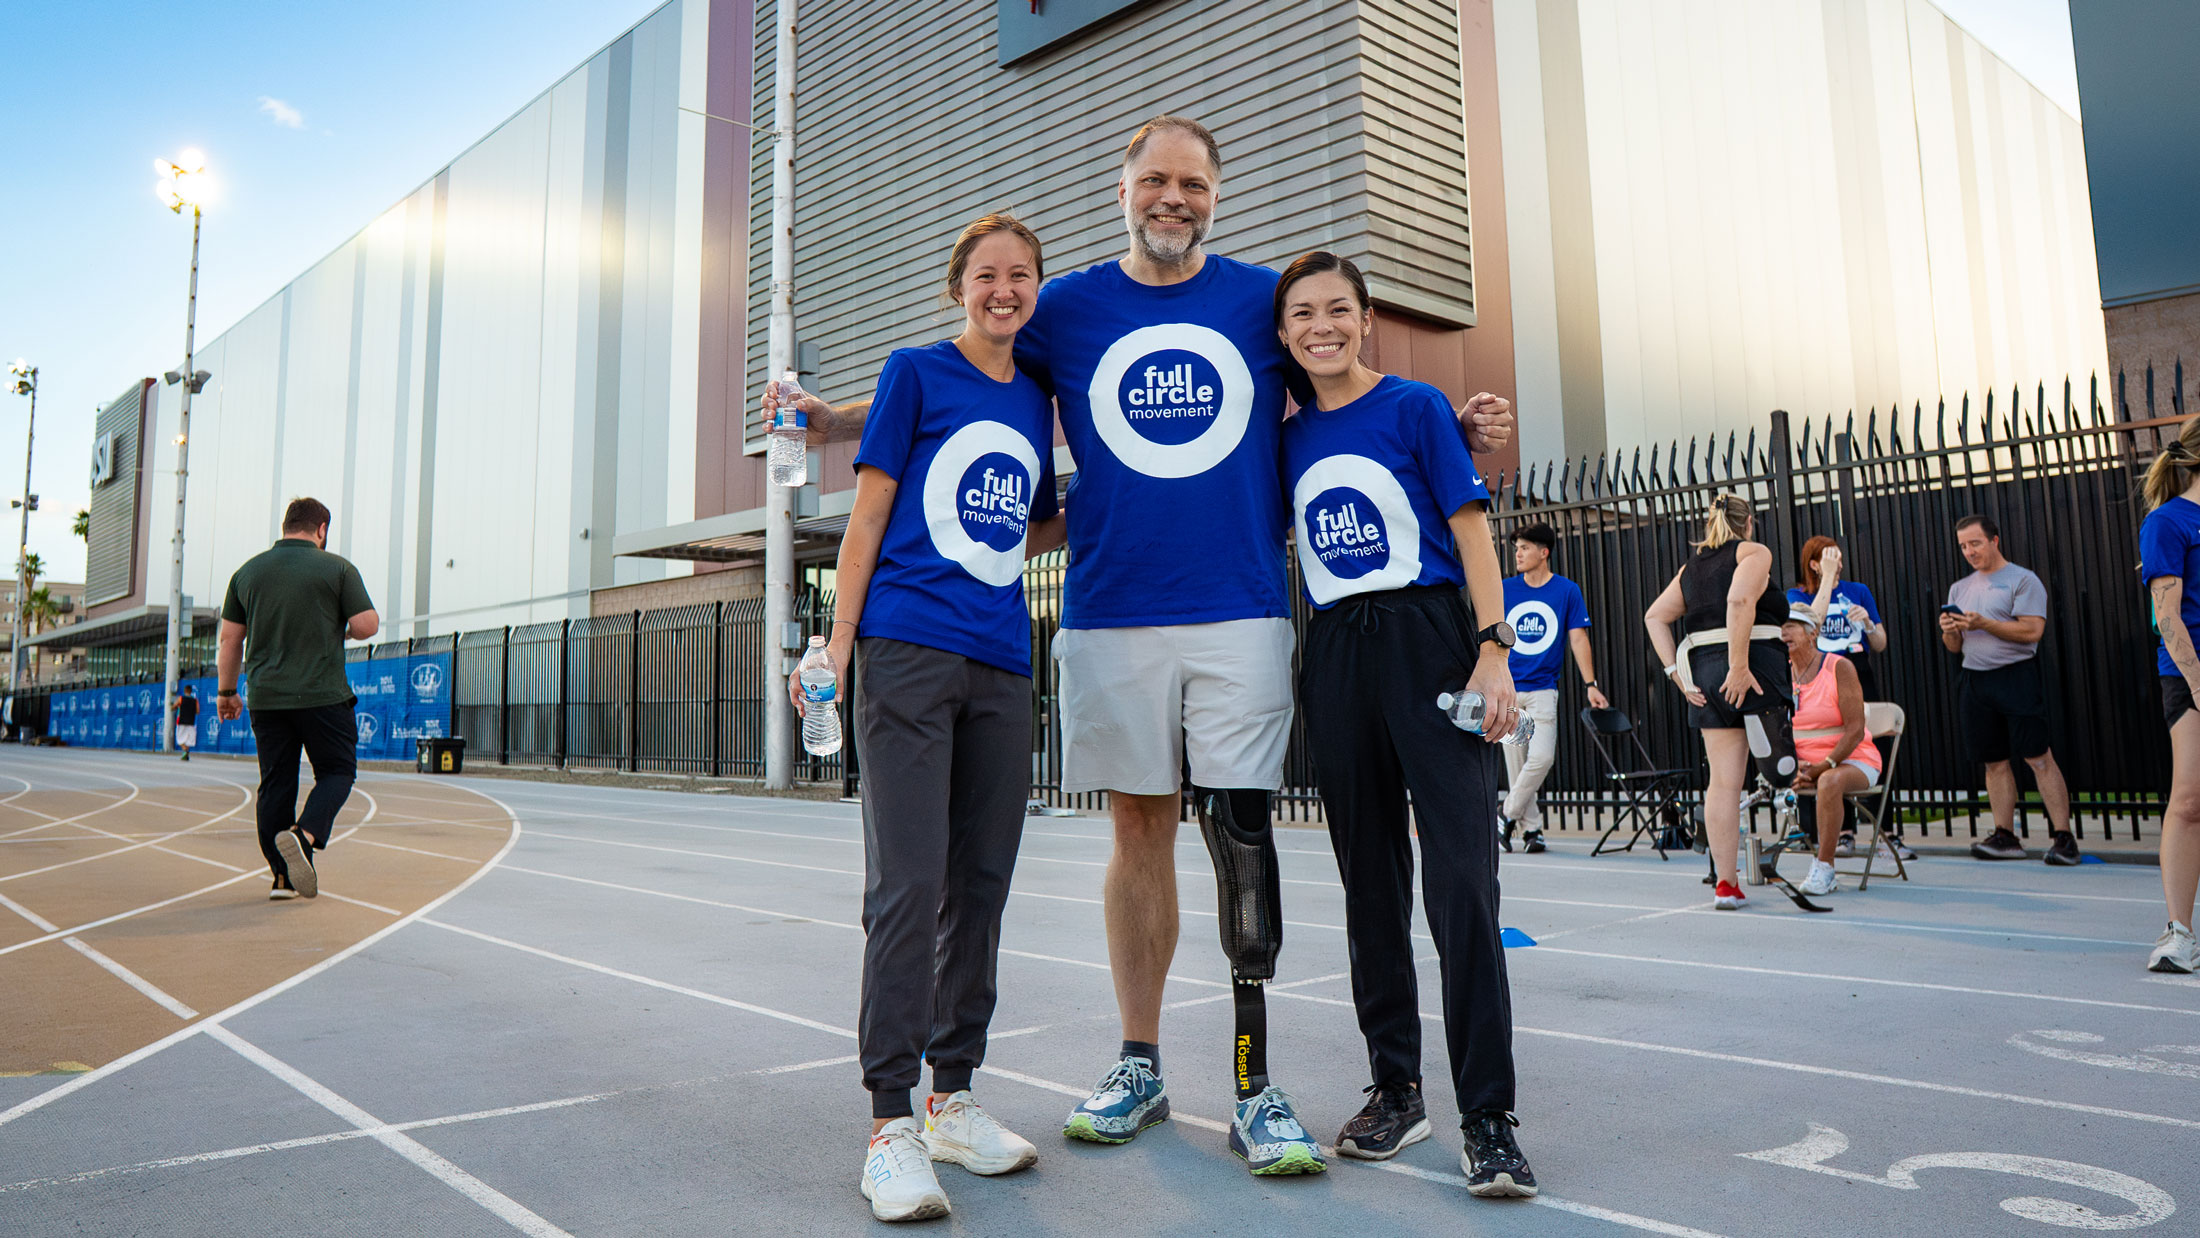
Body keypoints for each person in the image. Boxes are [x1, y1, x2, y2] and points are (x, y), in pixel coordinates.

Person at [766, 115, 1513, 1178]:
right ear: (1121, 189)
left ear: (1216, 194)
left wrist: (1452, 423)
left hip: (1240, 607)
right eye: (1155, 179)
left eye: (1193, 183)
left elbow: (1344, 396)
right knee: (1139, 832)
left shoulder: (1262, 301)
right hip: (1111, 612)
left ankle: (1255, 1079)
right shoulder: (1061, 304)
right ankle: (1140, 1059)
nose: (1174, 197)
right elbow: (951, 372)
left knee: (1241, 829)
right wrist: (824, 417)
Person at [786, 214, 1057, 1222]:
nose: (1004, 289)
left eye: (1020, 276)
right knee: (908, 882)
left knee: (981, 883)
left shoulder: (1037, 398)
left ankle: (954, 1094)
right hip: (902, 651)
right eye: (987, 275)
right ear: (959, 287)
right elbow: (867, 513)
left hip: (998, 659)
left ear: (1035, 289)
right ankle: (889, 1121)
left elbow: (1029, 522)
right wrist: (838, 641)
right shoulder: (912, 372)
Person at [1279, 252, 1537, 1196]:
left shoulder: (1421, 407)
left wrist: (1494, 646)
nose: (1322, 326)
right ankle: (1397, 1088)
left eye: (1338, 309)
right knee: (1370, 885)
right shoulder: (1285, 435)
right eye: (1303, 313)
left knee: (1462, 879)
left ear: (1366, 318)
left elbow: (1471, 530)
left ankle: (1489, 1115)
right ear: (1283, 333)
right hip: (1339, 649)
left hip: (1431, 638)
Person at [215, 497, 378, 901]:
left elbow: (230, 640)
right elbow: (366, 624)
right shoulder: (337, 568)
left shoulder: (246, 573)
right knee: (338, 772)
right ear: (321, 529)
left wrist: (227, 692)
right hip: (323, 696)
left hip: (268, 698)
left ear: (286, 525)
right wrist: (342, 631)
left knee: (276, 784)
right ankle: (303, 838)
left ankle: (282, 878)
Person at [1644, 494, 1795, 910]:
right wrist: (1739, 666)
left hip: (1705, 676)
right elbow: (1739, 600)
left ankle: (1726, 884)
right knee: (1782, 769)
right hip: (1752, 668)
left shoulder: (1690, 569)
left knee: (1723, 784)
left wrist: (1677, 674)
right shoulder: (1753, 552)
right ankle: (1785, 801)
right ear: (1749, 523)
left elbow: (1654, 617)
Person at [1940, 515, 2080, 865]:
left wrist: (1983, 623)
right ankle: (2005, 835)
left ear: (1994, 541)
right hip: (1975, 680)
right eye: (1963, 546)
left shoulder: (2022, 580)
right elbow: (1954, 648)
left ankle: (2063, 837)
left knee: (2038, 756)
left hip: (2016, 676)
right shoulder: (1960, 588)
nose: (1969, 551)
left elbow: (2032, 631)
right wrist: (1950, 629)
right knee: (1994, 762)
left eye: (1975, 543)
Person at [1498, 521, 1607, 854]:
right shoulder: (1504, 589)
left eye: (1525, 547)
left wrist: (1591, 684)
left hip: (1544, 690)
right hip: (1510, 691)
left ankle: (1504, 815)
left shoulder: (1566, 591)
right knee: (1517, 767)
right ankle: (1532, 831)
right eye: (1516, 547)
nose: (1518, 553)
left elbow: (1578, 637)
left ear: (1544, 553)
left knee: (1541, 757)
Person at [2138, 421, 2200, 973]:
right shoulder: (2167, 521)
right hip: (2191, 676)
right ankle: (2180, 931)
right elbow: (2167, 616)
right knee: (2190, 799)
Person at [1780, 605, 1882, 896]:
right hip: (1806, 765)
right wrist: (1798, 766)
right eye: (1780, 626)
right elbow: (1779, 732)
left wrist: (1823, 766)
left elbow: (1854, 730)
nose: (1783, 632)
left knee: (1829, 781)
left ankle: (1824, 868)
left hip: (1853, 759)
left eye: (1791, 625)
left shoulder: (1839, 667)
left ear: (1813, 632)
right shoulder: (1781, 673)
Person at [1788, 536, 1888, 703]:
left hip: (1857, 665)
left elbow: (1880, 644)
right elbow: (1812, 623)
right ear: (1814, 565)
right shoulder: (1798, 595)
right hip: (1820, 669)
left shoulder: (1859, 591)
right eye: (1832, 561)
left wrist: (1867, 623)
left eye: (1839, 560)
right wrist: (1827, 576)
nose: (1839, 566)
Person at [173, 686, 199, 761]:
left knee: (179, 739)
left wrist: (174, 707)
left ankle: (185, 751)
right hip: (191, 721)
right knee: (188, 739)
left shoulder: (181, 699)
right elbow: (197, 711)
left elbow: (174, 706)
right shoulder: (195, 700)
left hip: (181, 721)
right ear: (191, 691)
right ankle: (185, 754)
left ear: (185, 690)